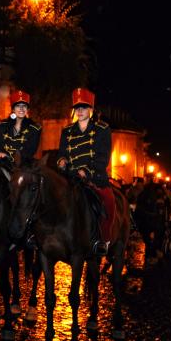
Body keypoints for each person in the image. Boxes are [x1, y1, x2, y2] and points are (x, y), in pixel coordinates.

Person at [57, 87, 115, 255]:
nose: (80, 111)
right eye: (77, 108)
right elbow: (62, 152)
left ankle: (103, 240)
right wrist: (61, 160)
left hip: (94, 177)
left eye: (84, 107)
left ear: (91, 109)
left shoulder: (102, 129)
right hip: (71, 177)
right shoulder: (66, 131)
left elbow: (103, 157)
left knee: (109, 202)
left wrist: (86, 171)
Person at [0, 89, 42, 162]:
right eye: (18, 106)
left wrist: (9, 157)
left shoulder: (34, 129)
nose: (21, 108)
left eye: (24, 106)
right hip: (2, 164)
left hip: (22, 167)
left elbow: (29, 153)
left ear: (27, 109)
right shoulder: (2, 126)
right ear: (13, 109)